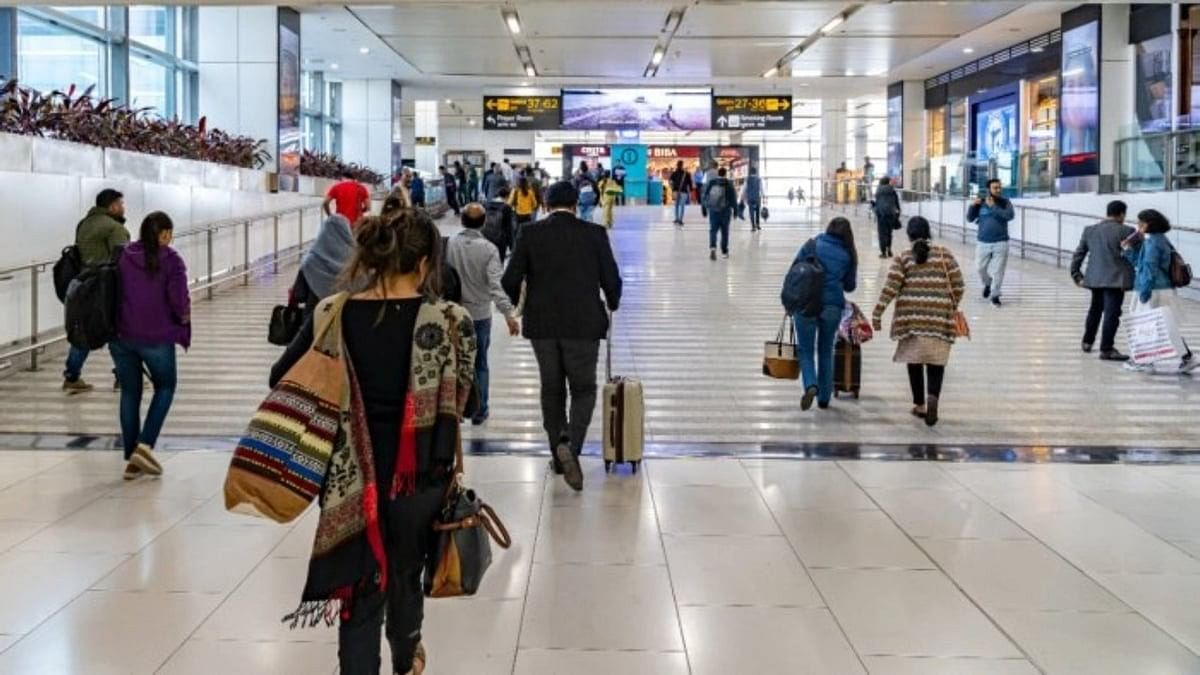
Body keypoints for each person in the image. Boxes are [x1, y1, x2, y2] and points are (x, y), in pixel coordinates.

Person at [270, 210, 474, 675]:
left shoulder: (332, 312)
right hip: (418, 475)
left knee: (360, 577)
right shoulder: (449, 320)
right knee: (404, 569)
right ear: (424, 264)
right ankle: (406, 657)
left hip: (347, 475)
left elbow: (281, 378)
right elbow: (464, 400)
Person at [501, 182, 622, 492]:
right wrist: (613, 301)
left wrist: (517, 306)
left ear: (547, 204)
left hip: (542, 325)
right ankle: (571, 445)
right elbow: (611, 277)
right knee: (583, 388)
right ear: (575, 204)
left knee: (551, 389)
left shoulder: (530, 233)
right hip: (583, 324)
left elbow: (509, 278)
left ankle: (558, 453)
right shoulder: (594, 234)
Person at [111, 212, 190, 479]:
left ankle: (132, 460)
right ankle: (144, 445)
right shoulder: (171, 260)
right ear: (165, 233)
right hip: (156, 336)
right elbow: (179, 300)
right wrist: (184, 317)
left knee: (130, 393)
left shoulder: (125, 255)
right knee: (165, 386)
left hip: (122, 336)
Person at [872, 216, 965, 426]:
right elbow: (959, 285)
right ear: (929, 232)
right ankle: (933, 398)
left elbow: (890, 288)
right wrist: (949, 304)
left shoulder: (904, 257)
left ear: (909, 235)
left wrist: (877, 314)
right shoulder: (944, 255)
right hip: (939, 318)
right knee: (936, 361)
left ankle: (919, 404)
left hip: (911, 318)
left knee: (914, 360)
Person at [447, 204, 520, 426]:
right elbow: (496, 286)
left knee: (455, 362)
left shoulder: (450, 244)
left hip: (453, 313)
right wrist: (509, 314)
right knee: (480, 363)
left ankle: (455, 409)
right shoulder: (489, 249)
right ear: (484, 222)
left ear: (462, 221)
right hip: (479, 315)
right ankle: (480, 410)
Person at [63, 188, 130, 394]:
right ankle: (123, 377)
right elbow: (123, 261)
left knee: (84, 330)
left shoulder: (84, 224)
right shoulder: (114, 228)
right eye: (121, 203)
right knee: (117, 332)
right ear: (112, 206)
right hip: (108, 287)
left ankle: (72, 376)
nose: (123, 207)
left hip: (84, 285)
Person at [791, 217, 858, 411]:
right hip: (832, 307)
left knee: (805, 350)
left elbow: (795, 270)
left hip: (805, 304)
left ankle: (811, 384)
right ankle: (824, 399)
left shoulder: (812, 245)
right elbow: (850, 286)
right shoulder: (848, 254)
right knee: (825, 351)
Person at [1122, 208, 1195, 372]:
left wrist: (1144, 293)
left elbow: (1149, 269)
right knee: (1163, 326)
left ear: (1148, 224)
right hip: (1162, 289)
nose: (1138, 226)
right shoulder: (1159, 239)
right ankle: (1185, 357)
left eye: (1140, 222)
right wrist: (1129, 250)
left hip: (1155, 290)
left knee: (1150, 325)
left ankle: (1144, 360)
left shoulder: (1153, 243)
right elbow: (1141, 265)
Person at [1070, 200, 1135, 361]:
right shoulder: (1127, 231)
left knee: (1095, 309)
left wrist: (1076, 274)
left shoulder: (1090, 230)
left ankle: (1087, 342)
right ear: (1121, 214)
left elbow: (1079, 253)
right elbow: (1136, 254)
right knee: (1111, 314)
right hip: (1116, 279)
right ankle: (1106, 349)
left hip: (1094, 278)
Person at [292, 214, 355, 316]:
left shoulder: (310, 262)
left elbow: (299, 295)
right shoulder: (356, 263)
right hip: (346, 319)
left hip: (314, 321)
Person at [967, 178, 1014, 307]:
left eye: (999, 187)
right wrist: (972, 206)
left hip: (1001, 242)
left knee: (998, 270)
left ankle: (995, 295)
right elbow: (970, 218)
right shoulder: (981, 203)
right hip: (983, 242)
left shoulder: (1005, 203)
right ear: (989, 189)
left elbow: (1009, 216)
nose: (998, 190)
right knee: (980, 268)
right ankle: (988, 284)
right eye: (995, 188)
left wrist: (993, 207)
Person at [703, 167, 736, 260]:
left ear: (718, 173)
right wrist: (736, 210)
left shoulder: (712, 182)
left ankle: (713, 248)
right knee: (724, 232)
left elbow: (705, 195)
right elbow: (733, 198)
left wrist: (704, 208)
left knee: (713, 231)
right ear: (725, 174)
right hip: (725, 212)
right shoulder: (729, 183)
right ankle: (724, 252)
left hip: (713, 211)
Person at [872, 177, 901, 258]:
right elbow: (897, 203)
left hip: (881, 215)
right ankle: (889, 250)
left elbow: (877, 203)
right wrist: (898, 214)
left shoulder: (878, 191)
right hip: (891, 214)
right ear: (888, 182)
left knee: (882, 234)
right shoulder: (892, 191)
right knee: (889, 233)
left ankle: (883, 252)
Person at [669, 160, 693, 226]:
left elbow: (670, 182)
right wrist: (690, 190)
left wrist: (672, 188)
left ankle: (677, 218)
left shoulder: (674, 173)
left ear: (677, 165)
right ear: (682, 165)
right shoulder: (686, 173)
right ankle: (680, 219)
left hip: (676, 191)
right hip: (684, 191)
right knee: (682, 206)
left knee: (676, 205)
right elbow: (690, 183)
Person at [742, 166, 764, 232]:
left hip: (750, 197)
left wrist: (742, 196)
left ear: (750, 172)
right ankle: (758, 225)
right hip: (757, 197)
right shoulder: (759, 179)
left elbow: (744, 188)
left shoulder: (747, 179)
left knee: (751, 212)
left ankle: (753, 226)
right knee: (757, 211)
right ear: (756, 172)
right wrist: (763, 196)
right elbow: (761, 188)